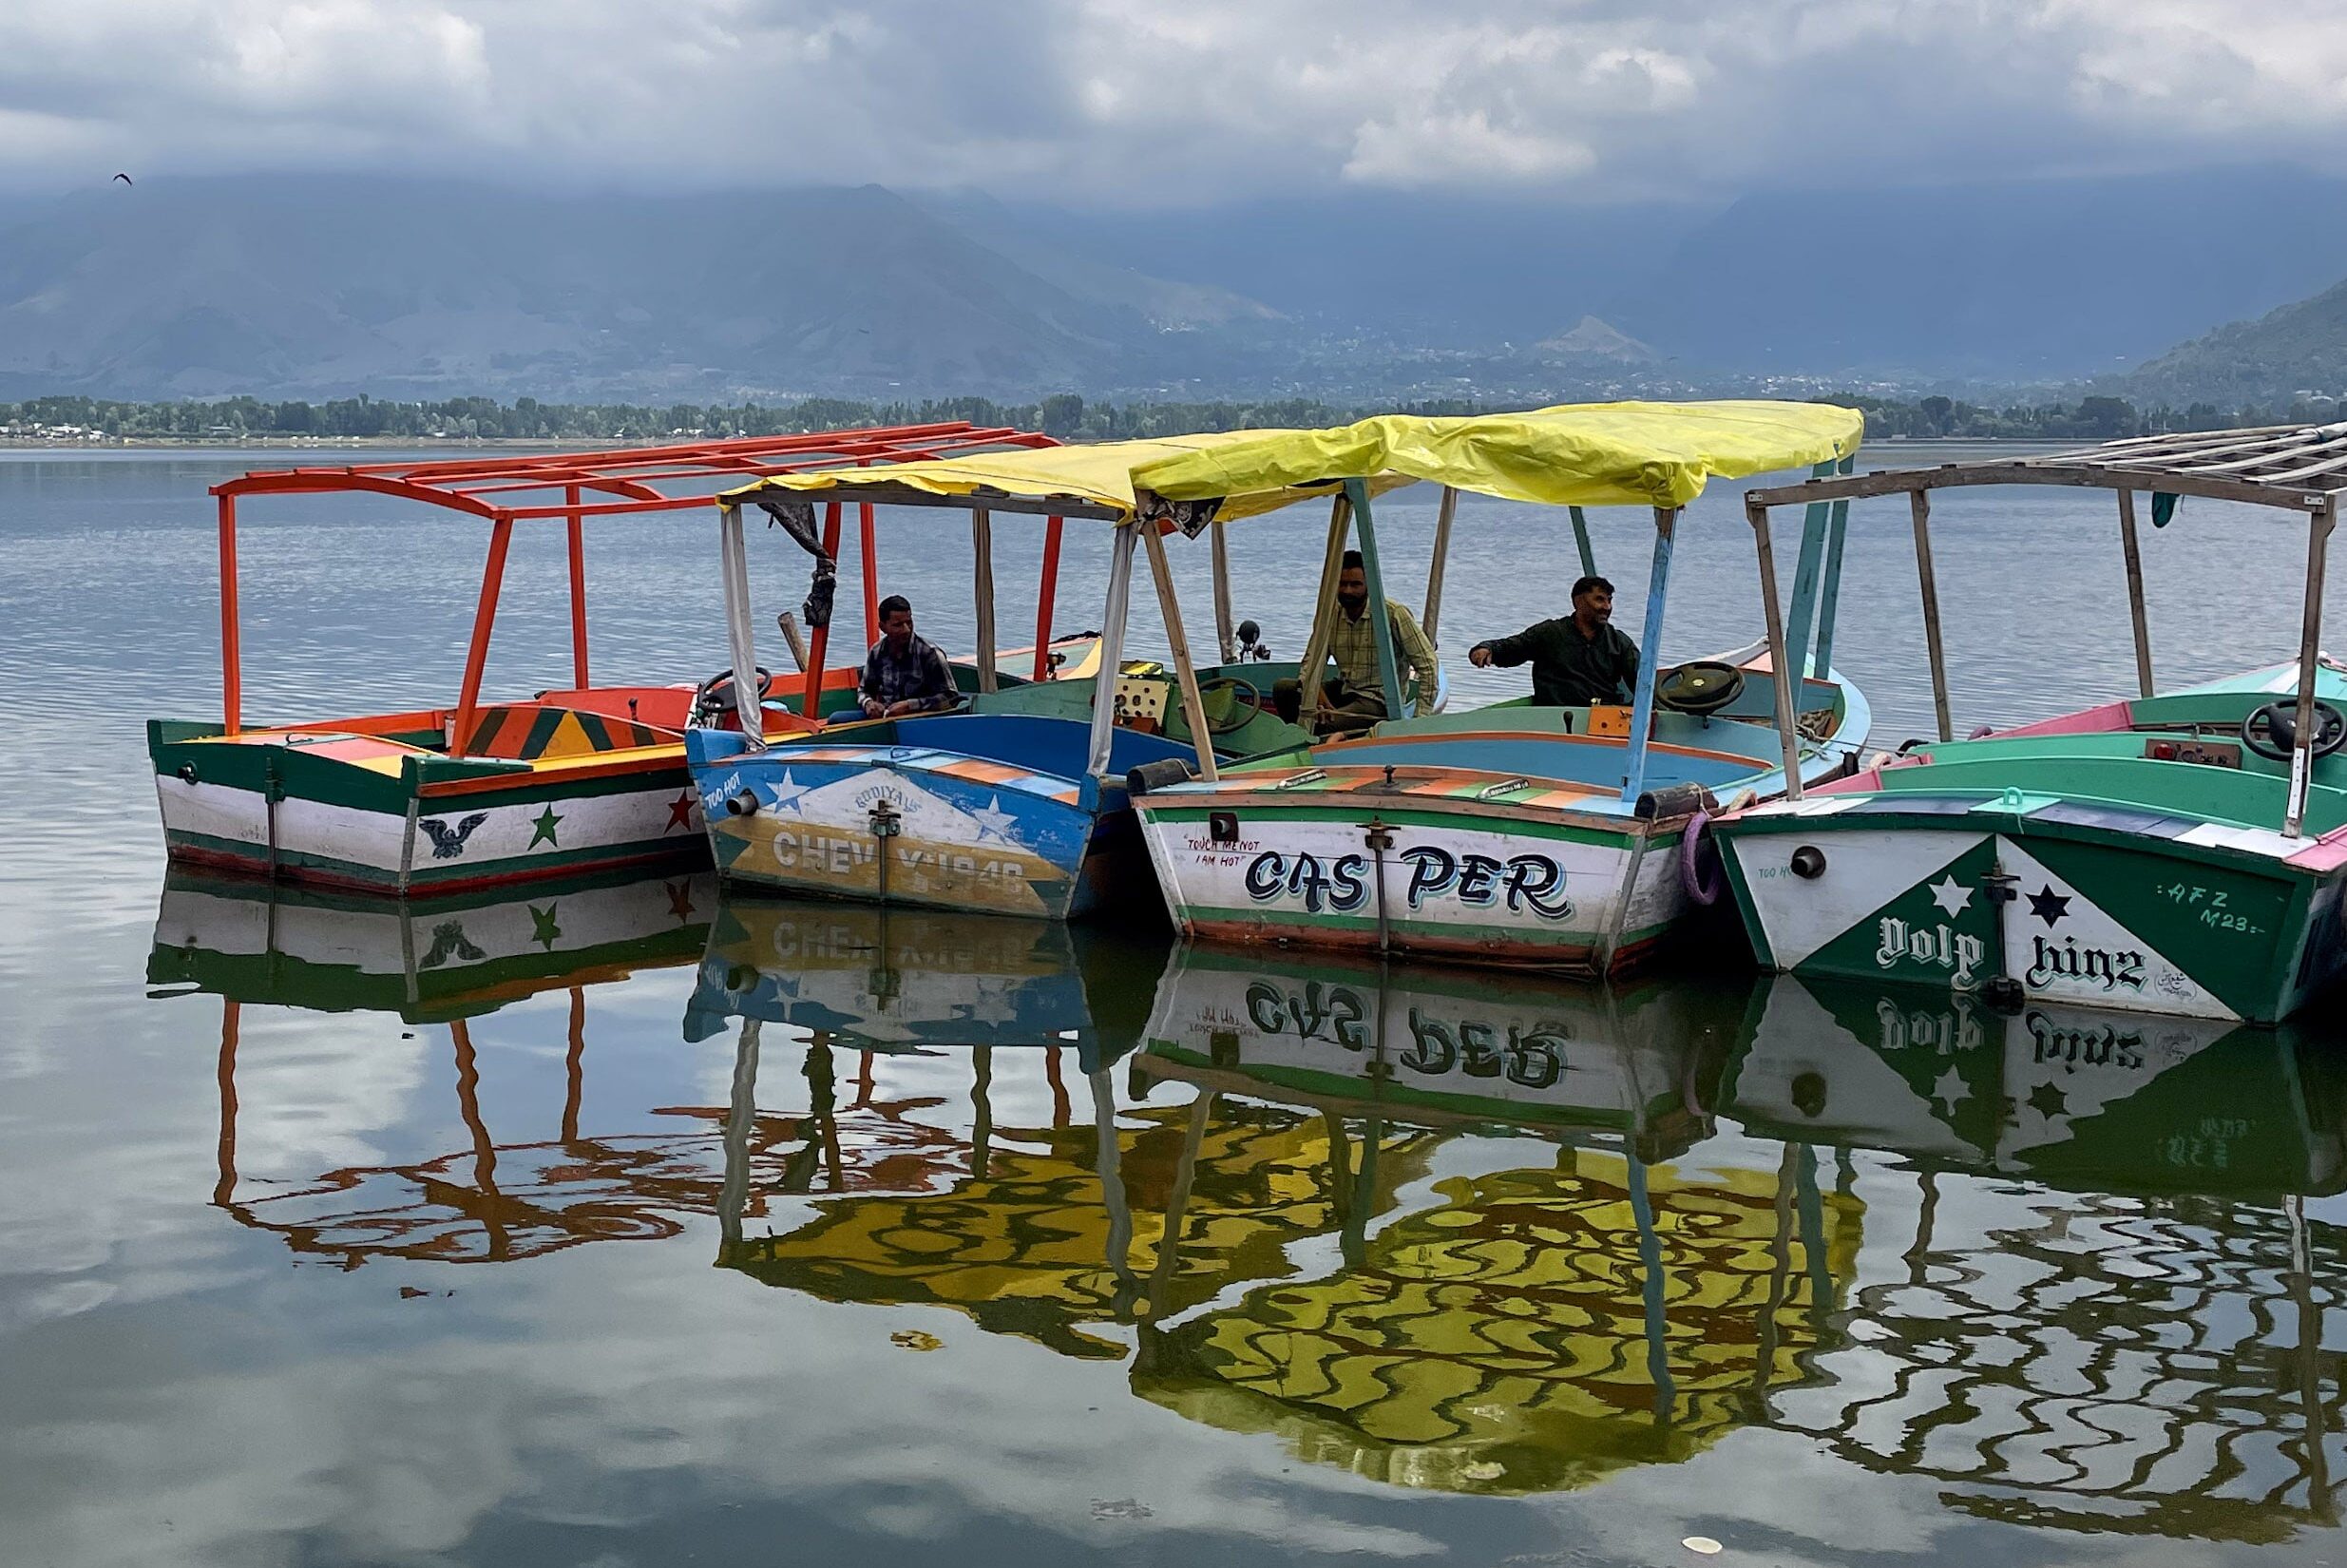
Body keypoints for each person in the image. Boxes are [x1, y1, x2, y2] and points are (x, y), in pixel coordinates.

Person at [1468, 574, 1639, 706]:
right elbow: (1514, 647)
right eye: (1599, 599)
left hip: (1601, 722)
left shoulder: (1619, 642)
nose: (1607, 607)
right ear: (1578, 601)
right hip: (1553, 719)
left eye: (1609, 601)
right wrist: (1487, 648)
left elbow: (1643, 682)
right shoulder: (1550, 633)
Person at [1317, 550, 1440, 734]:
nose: (1347, 591)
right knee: (1286, 690)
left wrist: (1418, 722)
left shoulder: (1392, 614)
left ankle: (1325, 739)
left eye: (1355, 584)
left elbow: (1428, 665)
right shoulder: (1330, 614)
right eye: (1342, 584)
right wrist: (1317, 693)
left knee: (1322, 725)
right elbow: (1311, 664)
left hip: (1378, 701)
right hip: (1346, 688)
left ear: (1369, 585)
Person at [858, 595, 959, 718]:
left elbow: (951, 697)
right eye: (898, 625)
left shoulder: (930, 653)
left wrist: (910, 706)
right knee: (837, 718)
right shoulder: (876, 652)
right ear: (883, 627)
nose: (906, 629)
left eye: (909, 623)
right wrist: (869, 703)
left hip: (922, 719)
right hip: (885, 718)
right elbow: (864, 690)